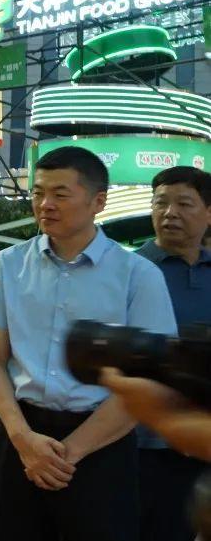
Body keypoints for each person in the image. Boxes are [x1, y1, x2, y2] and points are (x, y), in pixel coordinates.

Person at [0, 146, 177, 541]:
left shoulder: (138, 275)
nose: (45, 204)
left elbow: (148, 381)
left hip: (101, 444)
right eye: (38, 193)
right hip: (19, 435)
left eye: (60, 194)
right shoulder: (8, 265)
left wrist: (69, 454)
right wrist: (23, 439)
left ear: (98, 201)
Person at [132, 166, 211, 541]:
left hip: (199, 444)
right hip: (133, 442)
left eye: (184, 204)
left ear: (209, 213)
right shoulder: (131, 270)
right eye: (160, 203)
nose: (169, 213)